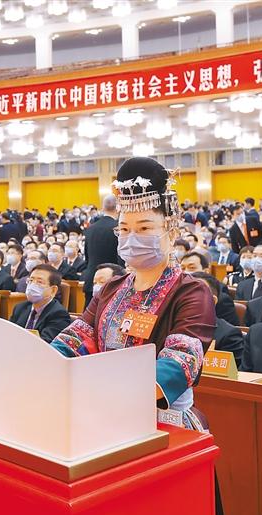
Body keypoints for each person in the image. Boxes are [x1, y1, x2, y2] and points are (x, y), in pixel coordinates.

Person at [51, 157, 216, 430]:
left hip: (161, 421)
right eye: (125, 229)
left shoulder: (191, 292)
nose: (132, 237)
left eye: (145, 228)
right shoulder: (111, 287)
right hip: (101, 411)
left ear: (171, 231)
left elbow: (180, 361)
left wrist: (110, 391)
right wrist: (45, 364)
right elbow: (75, 340)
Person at [191, 272, 244, 367]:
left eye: (194, 294)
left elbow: (232, 373)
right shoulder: (169, 325)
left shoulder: (228, 335)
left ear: (213, 301)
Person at [9, 264, 72, 343]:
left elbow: (45, 343)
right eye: (31, 280)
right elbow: (9, 333)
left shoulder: (59, 314)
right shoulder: (20, 307)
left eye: (39, 282)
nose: (32, 285)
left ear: (53, 290)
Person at [81, 194, 120, 307]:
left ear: (102, 208)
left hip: (91, 279)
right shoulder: (119, 228)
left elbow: (87, 257)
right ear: (118, 208)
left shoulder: (91, 228)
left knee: (88, 315)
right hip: (111, 282)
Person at [181, 251, 240, 326]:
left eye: (192, 268)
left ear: (206, 271)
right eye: (182, 268)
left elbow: (227, 328)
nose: (186, 272)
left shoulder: (221, 298)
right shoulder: (176, 292)